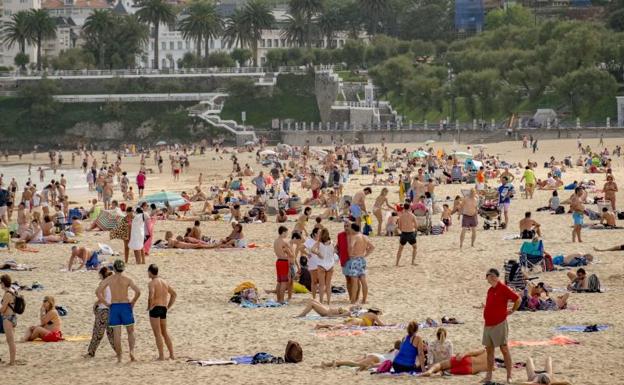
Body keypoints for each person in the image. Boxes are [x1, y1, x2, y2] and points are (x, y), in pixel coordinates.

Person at [96, 260, 141, 363]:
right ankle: (132, 352)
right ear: (123, 268)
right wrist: (133, 302)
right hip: (125, 305)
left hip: (114, 306)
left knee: (117, 334)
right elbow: (138, 292)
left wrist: (106, 303)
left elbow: (98, 292)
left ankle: (119, 357)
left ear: (114, 269)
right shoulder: (127, 279)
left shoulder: (109, 279)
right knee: (130, 331)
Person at [482, 268, 521, 383]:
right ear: (487, 278)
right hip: (488, 324)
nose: (492, 277)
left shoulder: (503, 288)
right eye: (489, 276)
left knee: (504, 349)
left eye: (494, 275)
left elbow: (517, 299)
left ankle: (509, 375)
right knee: (489, 350)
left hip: (499, 323)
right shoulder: (490, 290)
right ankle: (489, 376)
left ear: (497, 277)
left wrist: (512, 310)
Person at [147, 264, 177, 361]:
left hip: (155, 307)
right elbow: (174, 294)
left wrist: (149, 307)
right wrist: (168, 306)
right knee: (164, 332)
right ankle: (172, 354)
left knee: (157, 333)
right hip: (163, 308)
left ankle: (161, 356)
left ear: (150, 272)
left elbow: (151, 295)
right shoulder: (164, 282)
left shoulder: (152, 283)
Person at [86, 267, 115, 357]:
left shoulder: (103, 283)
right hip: (112, 310)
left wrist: (96, 303)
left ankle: (91, 352)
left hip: (103, 310)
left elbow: (101, 295)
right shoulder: (113, 283)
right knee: (111, 333)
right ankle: (118, 351)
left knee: (97, 332)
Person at [319, 341, 400, 371]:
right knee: (354, 364)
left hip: (375, 355)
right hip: (378, 359)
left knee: (353, 362)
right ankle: (334, 363)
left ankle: (327, 364)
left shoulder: (392, 350)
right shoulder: (398, 353)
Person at [345, 223, 374, 304]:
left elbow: (351, 246)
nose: (349, 229)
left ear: (353, 229)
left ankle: (353, 300)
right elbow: (372, 247)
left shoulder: (355, 237)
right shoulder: (364, 236)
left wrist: (350, 254)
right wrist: (365, 255)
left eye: (350, 228)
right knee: (363, 280)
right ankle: (364, 300)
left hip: (354, 259)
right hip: (362, 259)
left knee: (354, 281)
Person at [422, 348, 488, 377]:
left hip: (468, 360)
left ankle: (430, 371)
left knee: (441, 364)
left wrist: (463, 354)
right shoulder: (492, 366)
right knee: (447, 371)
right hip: (469, 370)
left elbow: (473, 352)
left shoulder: (485, 351)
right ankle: (441, 372)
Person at [310, 228, 335, 304]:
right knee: (328, 284)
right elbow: (334, 252)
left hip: (321, 264)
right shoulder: (332, 242)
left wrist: (318, 253)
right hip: (330, 264)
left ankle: (321, 301)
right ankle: (328, 301)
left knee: (321, 285)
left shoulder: (318, 243)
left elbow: (312, 249)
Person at [274, 226, 295, 304]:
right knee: (284, 282)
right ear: (283, 232)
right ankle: (282, 300)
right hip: (284, 262)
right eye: (286, 232)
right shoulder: (284, 242)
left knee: (279, 282)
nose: (287, 234)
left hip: (278, 261)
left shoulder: (275, 241)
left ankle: (278, 299)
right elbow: (292, 254)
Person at [0, 274, 17, 365]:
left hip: (8, 318)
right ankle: (12, 360)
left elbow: (3, 309)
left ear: (3, 283)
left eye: (1, 282)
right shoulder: (13, 290)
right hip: (13, 317)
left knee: (10, 341)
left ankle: (12, 361)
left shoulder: (7, 294)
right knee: (11, 340)